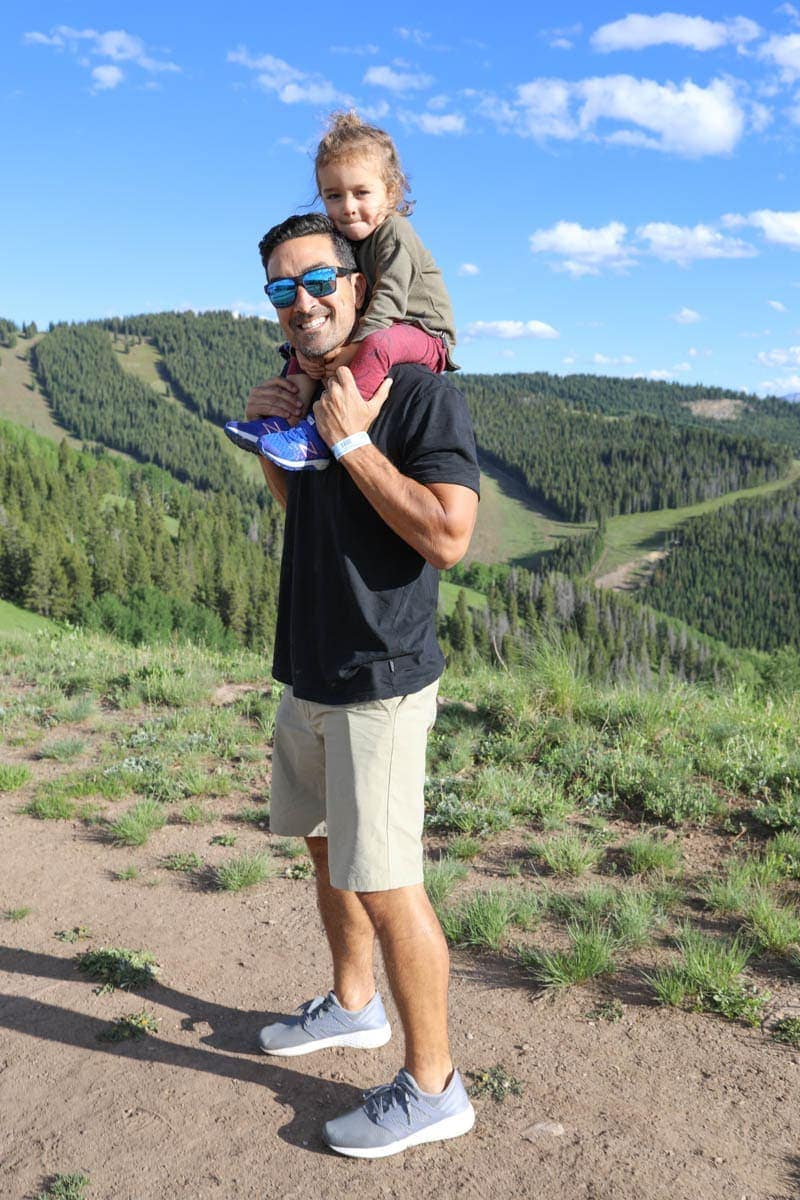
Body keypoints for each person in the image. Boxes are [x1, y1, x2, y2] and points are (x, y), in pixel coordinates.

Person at [247, 211, 480, 1158]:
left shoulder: (417, 392)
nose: (300, 302)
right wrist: (279, 439)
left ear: (359, 277)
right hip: (309, 665)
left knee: (387, 885)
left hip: (380, 677)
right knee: (320, 844)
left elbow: (449, 536)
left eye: (317, 280)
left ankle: (436, 1087)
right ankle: (353, 1005)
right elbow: (310, 509)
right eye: (280, 288)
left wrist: (351, 441)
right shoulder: (314, 390)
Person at [225, 111, 457, 471]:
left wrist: (354, 348)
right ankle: (279, 423)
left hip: (423, 331)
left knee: (379, 346)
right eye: (334, 196)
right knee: (300, 353)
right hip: (387, 326)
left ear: (391, 192)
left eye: (361, 193)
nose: (347, 207)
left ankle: (320, 434)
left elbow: (390, 301)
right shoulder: (350, 242)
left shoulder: (394, 234)